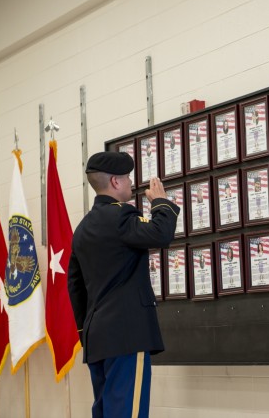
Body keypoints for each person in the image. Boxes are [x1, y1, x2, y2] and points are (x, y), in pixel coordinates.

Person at [68, 151, 179, 418]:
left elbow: (74, 285)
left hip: (97, 340)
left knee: (107, 411)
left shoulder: (82, 228)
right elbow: (161, 234)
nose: (131, 182)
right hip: (126, 336)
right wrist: (161, 203)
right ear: (115, 182)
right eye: (127, 177)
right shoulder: (120, 217)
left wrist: (85, 332)